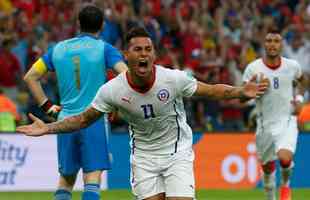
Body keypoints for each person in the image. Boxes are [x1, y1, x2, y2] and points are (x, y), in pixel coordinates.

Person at [18, 27, 269, 200]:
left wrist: (240, 91)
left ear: (154, 55)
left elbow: (212, 90)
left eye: (148, 49)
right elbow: (83, 119)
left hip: (176, 153)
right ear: (126, 55)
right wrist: (47, 128)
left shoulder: (172, 79)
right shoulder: (112, 90)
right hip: (144, 159)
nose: (144, 54)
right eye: (137, 50)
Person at [23, 5, 127, 200]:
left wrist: (48, 107)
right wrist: (116, 103)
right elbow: (126, 75)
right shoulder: (105, 49)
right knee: (92, 178)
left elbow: (30, 77)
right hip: (93, 120)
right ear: (103, 25)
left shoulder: (58, 49)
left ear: (78, 24)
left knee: (66, 180)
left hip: (64, 121)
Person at [242, 30, 307, 200]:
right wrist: (252, 90)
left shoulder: (292, 66)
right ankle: (270, 197)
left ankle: (285, 186)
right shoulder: (253, 69)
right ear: (264, 44)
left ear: (281, 44)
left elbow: (303, 80)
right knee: (268, 168)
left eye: (276, 41)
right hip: (264, 125)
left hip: (287, 121)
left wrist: (299, 98)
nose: (272, 44)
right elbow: (242, 97)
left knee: (284, 158)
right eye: (269, 40)